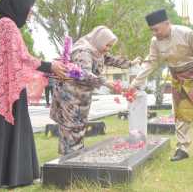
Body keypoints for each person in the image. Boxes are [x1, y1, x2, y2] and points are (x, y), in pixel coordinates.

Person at [0, 0, 66, 189]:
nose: (30, 15)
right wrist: (50, 66)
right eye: (29, 10)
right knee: (4, 132)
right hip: (5, 90)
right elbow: (21, 58)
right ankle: (3, 177)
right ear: (18, 6)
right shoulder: (7, 25)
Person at [129, 9, 193, 163]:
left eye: (156, 29)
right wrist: (135, 83)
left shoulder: (188, 34)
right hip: (177, 80)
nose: (154, 33)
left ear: (167, 23)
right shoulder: (155, 42)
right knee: (181, 115)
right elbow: (151, 62)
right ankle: (182, 149)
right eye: (152, 30)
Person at [50, 26, 142, 155]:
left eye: (110, 46)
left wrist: (130, 63)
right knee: (71, 126)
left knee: (79, 126)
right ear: (99, 40)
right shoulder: (83, 51)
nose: (107, 49)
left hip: (82, 95)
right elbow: (83, 74)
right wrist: (106, 82)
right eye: (107, 45)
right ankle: (69, 160)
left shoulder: (96, 50)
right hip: (71, 95)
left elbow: (110, 59)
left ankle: (74, 157)